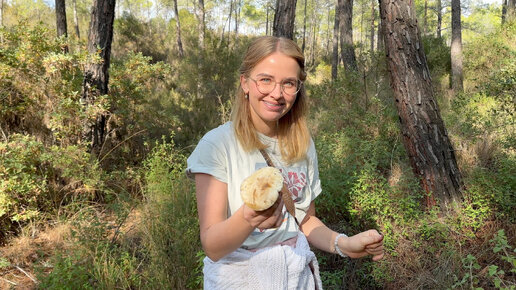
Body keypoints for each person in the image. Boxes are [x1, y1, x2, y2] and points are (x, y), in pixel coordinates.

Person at [186, 36, 384, 289]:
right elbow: (212, 246)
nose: (277, 94)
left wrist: (343, 244)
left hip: (295, 278)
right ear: (245, 83)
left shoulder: (302, 143)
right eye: (265, 80)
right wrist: (248, 219)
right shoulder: (217, 145)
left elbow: (304, 220)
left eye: (288, 83)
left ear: (298, 89)